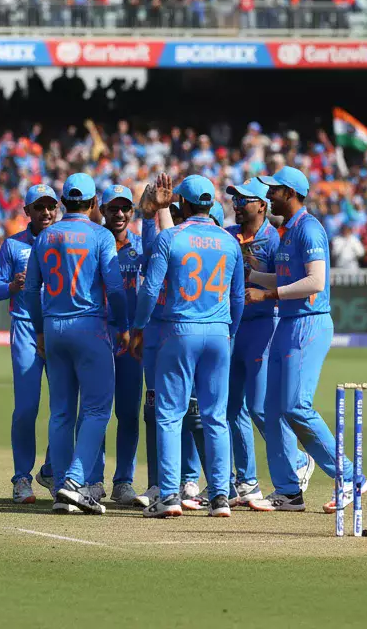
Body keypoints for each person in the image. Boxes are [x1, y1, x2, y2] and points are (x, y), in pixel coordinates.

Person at [246, 167, 366, 513]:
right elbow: (283, 276)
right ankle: (288, 490)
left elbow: (315, 282)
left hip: (308, 323)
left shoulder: (310, 229)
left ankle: (352, 477)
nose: (268, 196)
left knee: (297, 405)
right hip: (287, 322)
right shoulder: (288, 231)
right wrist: (251, 274)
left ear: (291, 192)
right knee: (272, 409)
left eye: (275, 191)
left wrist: (267, 296)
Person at [134, 175, 244, 518]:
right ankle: (221, 497)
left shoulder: (172, 237)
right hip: (218, 332)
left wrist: (139, 326)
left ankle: (168, 496)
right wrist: (229, 330)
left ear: (181, 203)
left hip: (178, 330)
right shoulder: (229, 241)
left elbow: (151, 290)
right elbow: (237, 296)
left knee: (169, 415)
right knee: (216, 417)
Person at [25, 173, 128, 514]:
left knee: (61, 412)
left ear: (63, 202)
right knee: (98, 409)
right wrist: (124, 325)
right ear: (94, 203)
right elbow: (114, 288)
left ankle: (59, 487)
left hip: (53, 328)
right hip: (89, 326)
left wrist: (39, 331)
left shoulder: (45, 236)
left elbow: (30, 291)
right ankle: (75, 482)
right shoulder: (100, 235)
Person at [224, 178, 310, 508]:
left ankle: (298, 462)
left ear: (261, 204)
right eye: (234, 198)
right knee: (231, 410)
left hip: (264, 326)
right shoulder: (228, 236)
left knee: (260, 407)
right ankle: (246, 482)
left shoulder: (276, 239)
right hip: (233, 328)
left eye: (243, 199)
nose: (236, 204)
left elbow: (285, 281)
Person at [0, 184, 59, 503]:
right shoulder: (13, 246)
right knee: (27, 408)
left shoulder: (66, 240)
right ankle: (22, 478)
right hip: (26, 330)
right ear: (27, 211)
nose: (46, 212)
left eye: (50, 206)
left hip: (60, 328)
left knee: (64, 407)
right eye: (39, 207)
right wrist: (12, 285)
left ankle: (52, 469)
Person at [98, 184, 145, 506]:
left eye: (125, 208)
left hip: (131, 340)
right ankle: (90, 479)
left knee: (128, 413)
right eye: (112, 209)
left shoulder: (141, 246)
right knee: (96, 412)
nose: (119, 214)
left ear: (133, 212)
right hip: (98, 334)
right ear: (101, 210)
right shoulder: (92, 242)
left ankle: (123, 482)